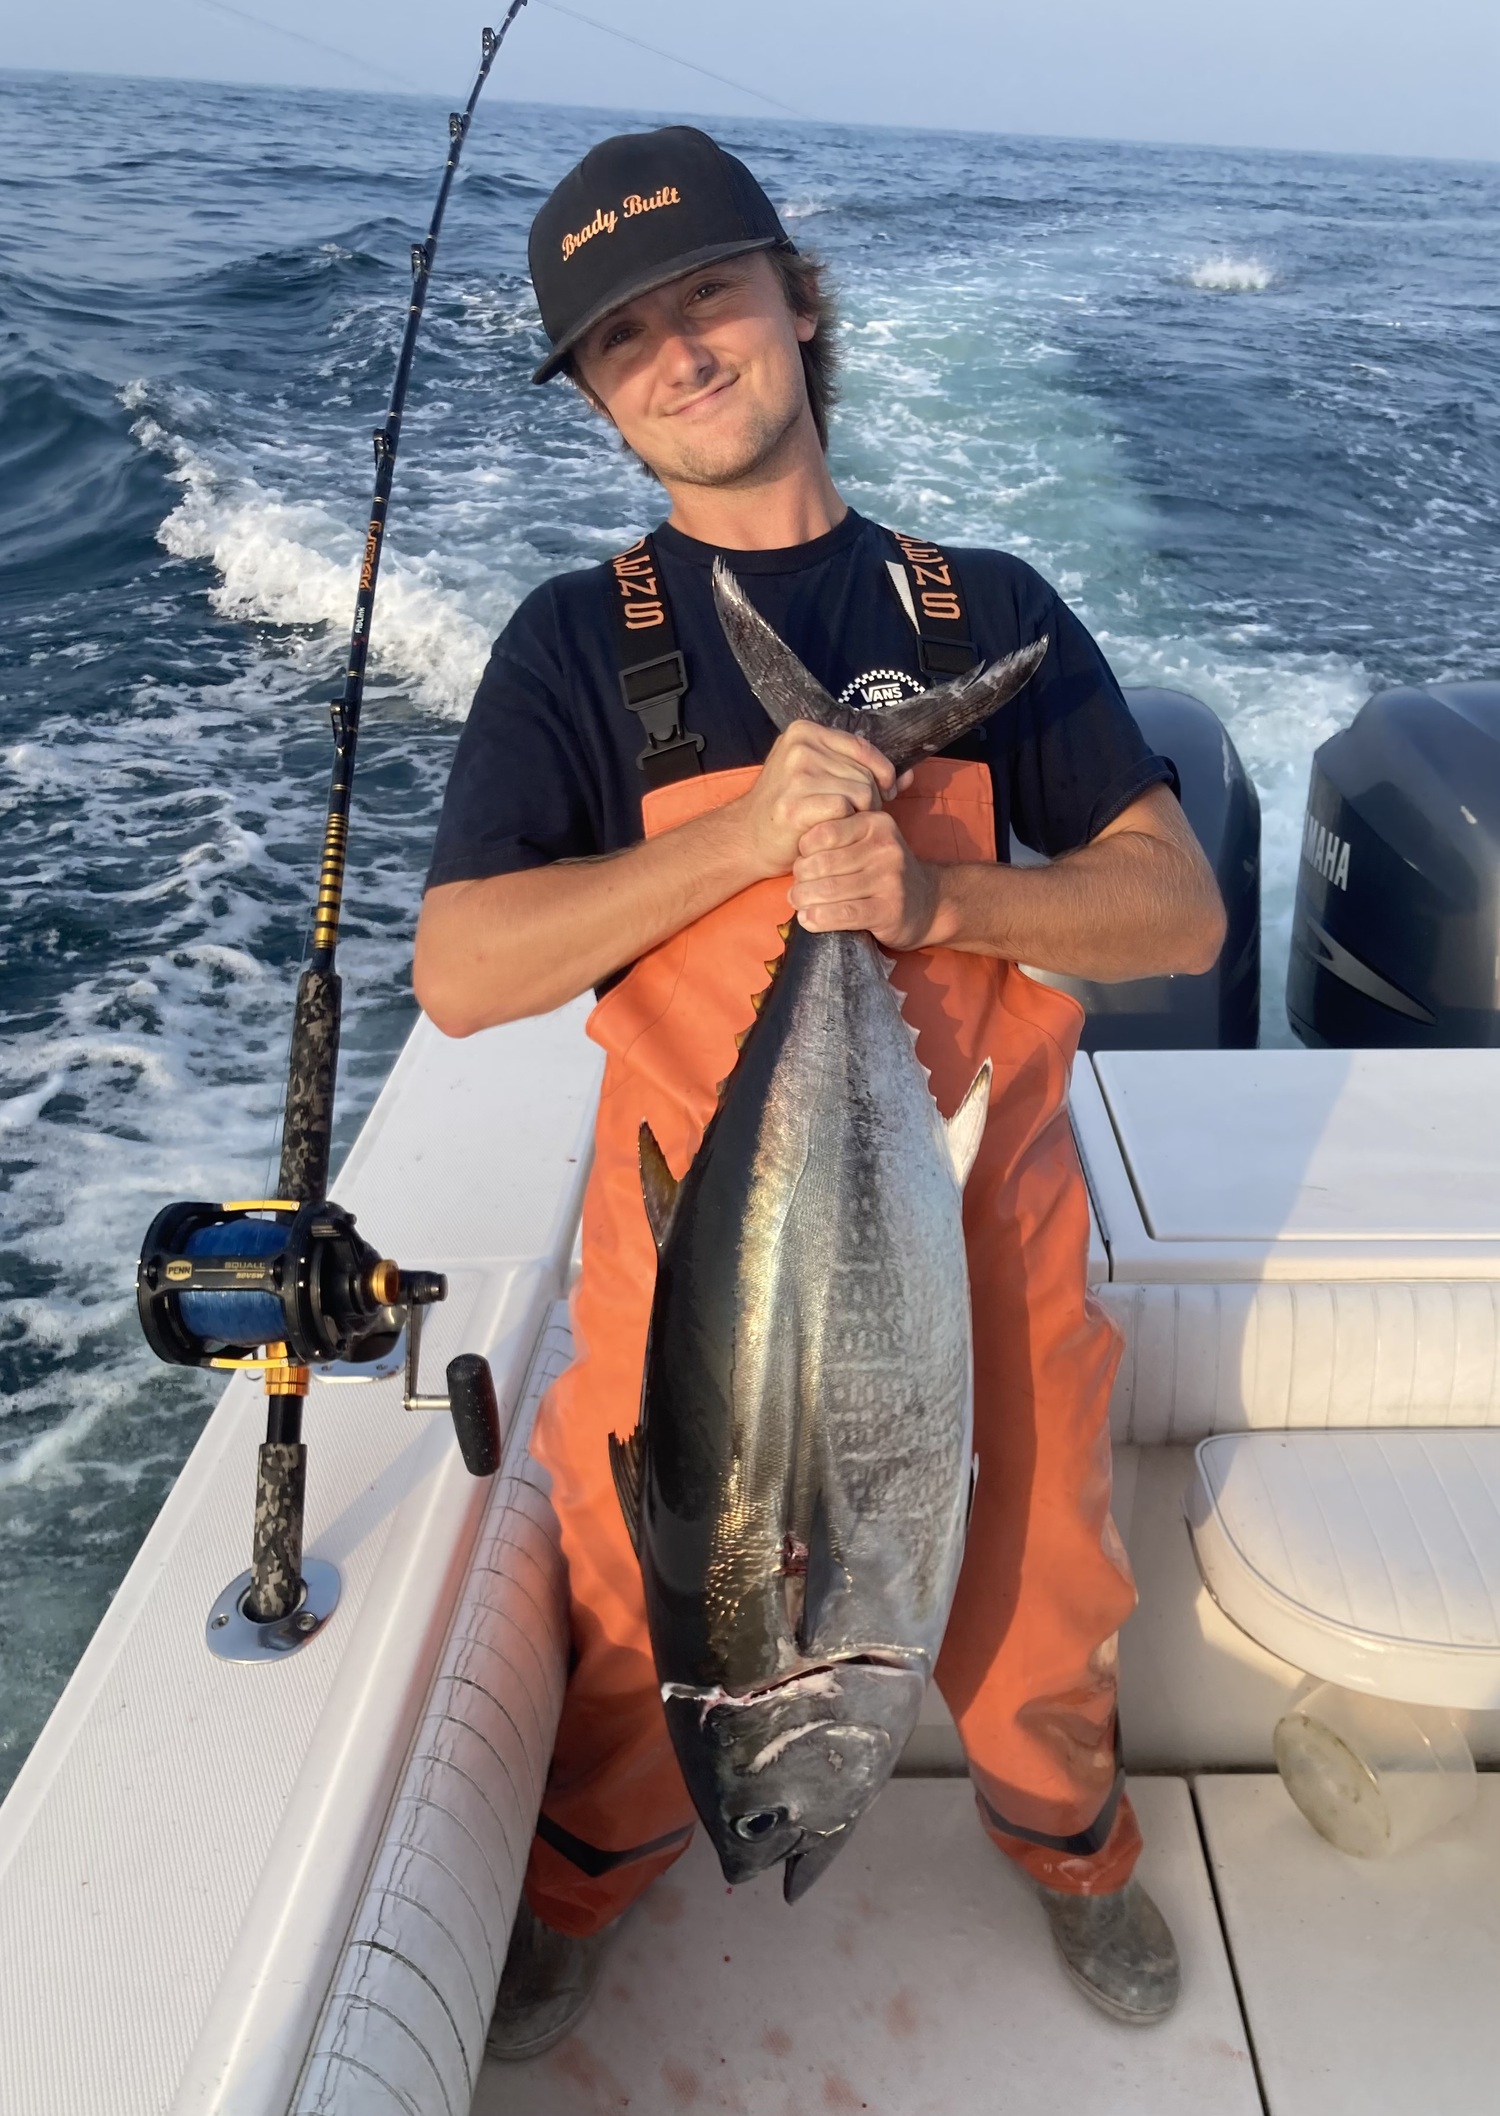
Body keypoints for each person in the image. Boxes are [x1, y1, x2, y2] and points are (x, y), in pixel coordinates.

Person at [415, 124, 1226, 2059]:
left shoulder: (981, 610)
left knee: (1041, 1573)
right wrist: (747, 845)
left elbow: (1178, 910)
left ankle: (1068, 1838)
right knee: (637, 1591)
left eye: (708, 297)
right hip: (708, 1244)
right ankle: (589, 1870)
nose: (680, 354)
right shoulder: (572, 647)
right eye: (624, 342)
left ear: (797, 304)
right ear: (606, 406)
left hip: (985, 1221)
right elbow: (461, 974)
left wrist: (936, 889)